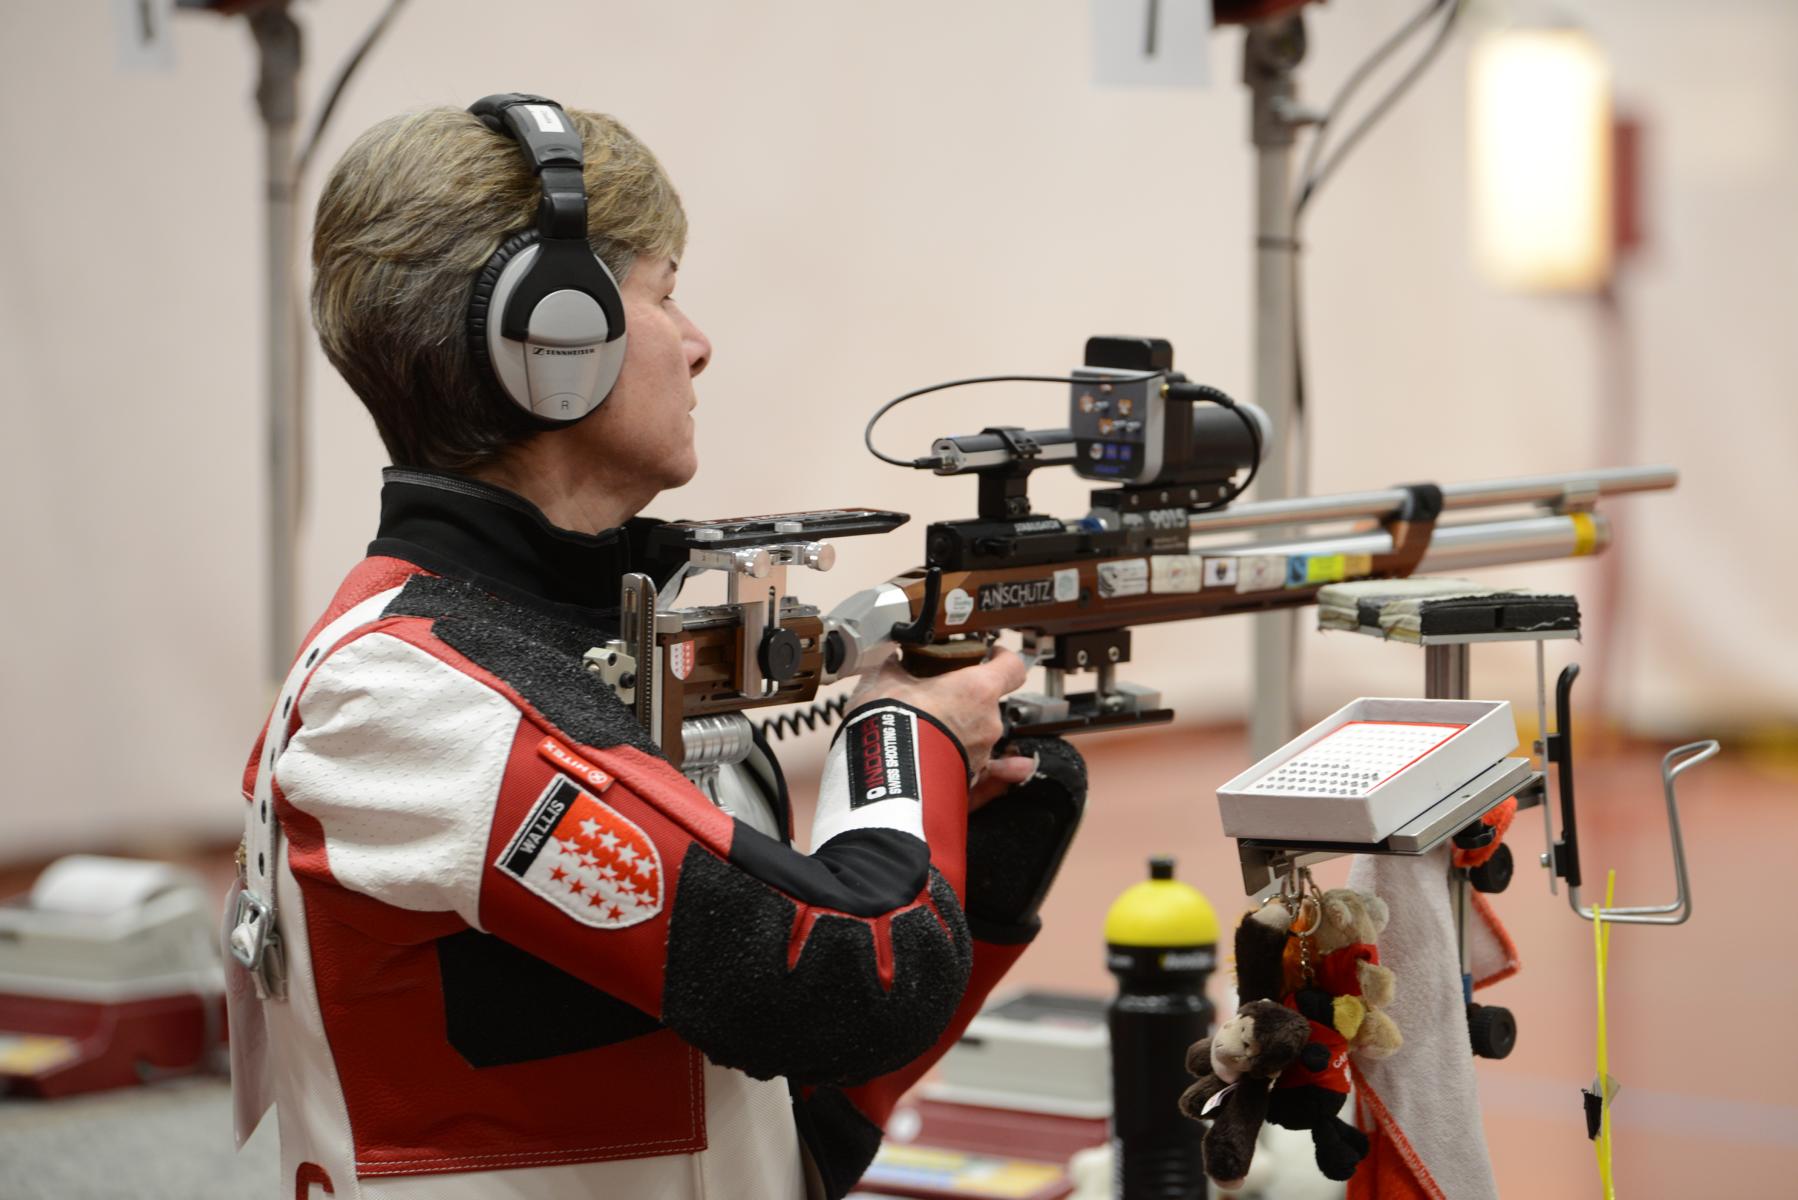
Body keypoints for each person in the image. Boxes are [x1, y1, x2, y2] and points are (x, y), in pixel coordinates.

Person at [225, 95, 1088, 1200]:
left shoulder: (596, 646)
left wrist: (967, 854)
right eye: (664, 293)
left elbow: (789, 1097)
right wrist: (898, 743)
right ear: (553, 342)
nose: (698, 342)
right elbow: (852, 980)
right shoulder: (410, 701)